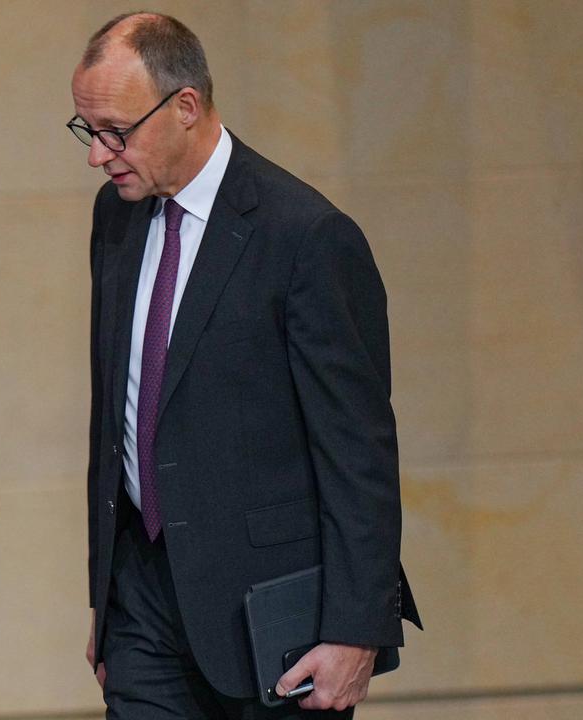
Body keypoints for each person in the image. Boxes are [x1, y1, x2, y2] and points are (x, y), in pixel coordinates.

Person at [71, 13, 422, 719]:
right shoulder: (117, 216)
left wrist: (355, 631)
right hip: (143, 603)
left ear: (187, 107)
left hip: (274, 618)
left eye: (116, 131)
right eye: (88, 131)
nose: (98, 155)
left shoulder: (307, 238)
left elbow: (358, 452)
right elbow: (118, 412)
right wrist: (106, 602)